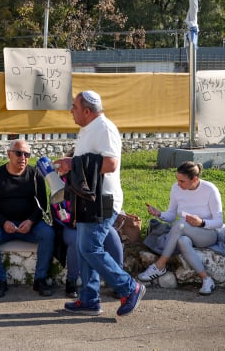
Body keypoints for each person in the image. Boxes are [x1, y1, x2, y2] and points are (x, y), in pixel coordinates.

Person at [54, 90, 145, 317]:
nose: (71, 111)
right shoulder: (88, 129)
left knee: (90, 248)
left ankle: (129, 287)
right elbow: (86, 163)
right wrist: (71, 164)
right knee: (86, 249)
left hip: (103, 200)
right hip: (88, 200)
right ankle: (89, 299)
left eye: (74, 107)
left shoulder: (104, 128)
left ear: (87, 111)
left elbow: (111, 164)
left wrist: (73, 163)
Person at [0, 139, 54, 298]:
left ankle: (40, 279)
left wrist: (31, 221)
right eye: (19, 153)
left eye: (27, 154)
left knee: (48, 234)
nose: (23, 157)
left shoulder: (35, 175)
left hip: (29, 225)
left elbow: (42, 205)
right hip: (2, 225)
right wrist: (3, 222)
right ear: (9, 154)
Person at [137, 161, 223, 295]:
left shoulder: (210, 189)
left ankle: (160, 265)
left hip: (208, 233)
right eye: (177, 179)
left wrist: (201, 222)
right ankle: (206, 280)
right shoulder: (176, 188)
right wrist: (159, 214)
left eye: (182, 181)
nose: (178, 184)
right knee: (182, 240)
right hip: (186, 233)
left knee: (179, 225)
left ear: (194, 179)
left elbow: (219, 221)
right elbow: (171, 215)